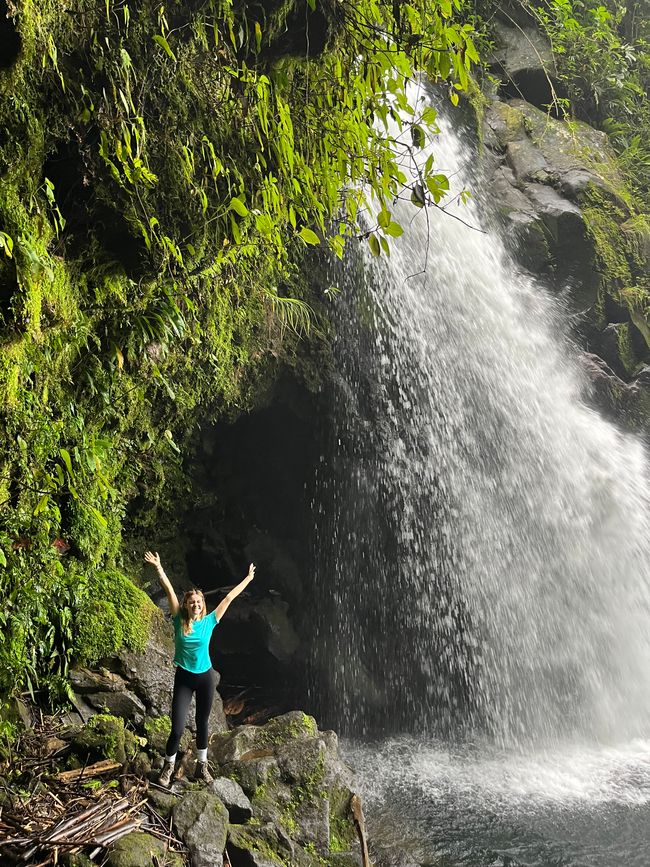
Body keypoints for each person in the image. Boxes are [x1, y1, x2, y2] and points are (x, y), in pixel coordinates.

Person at [144, 550, 255, 786]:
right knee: (177, 727)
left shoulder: (210, 621)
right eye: (192, 602)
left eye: (199, 602)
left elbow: (228, 599)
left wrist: (247, 579)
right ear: (187, 605)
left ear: (203, 605)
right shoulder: (178, 619)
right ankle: (168, 767)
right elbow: (169, 590)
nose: (196, 604)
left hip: (205, 677)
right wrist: (159, 567)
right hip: (184, 677)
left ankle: (201, 767)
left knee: (202, 723)